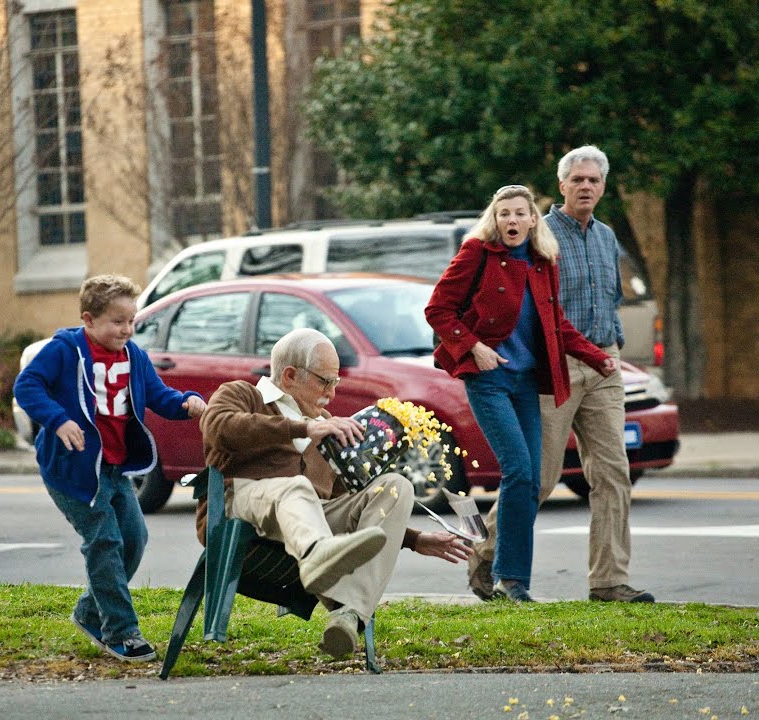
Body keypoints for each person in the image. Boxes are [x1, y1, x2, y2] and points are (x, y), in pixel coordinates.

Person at [198, 327, 471, 658]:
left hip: (310, 517)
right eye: (324, 381)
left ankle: (347, 612)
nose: (331, 393)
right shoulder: (243, 394)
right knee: (296, 487)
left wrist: (413, 539)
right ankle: (318, 554)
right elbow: (218, 427)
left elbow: (345, 498)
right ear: (289, 375)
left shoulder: (326, 423)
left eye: (336, 383)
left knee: (396, 486)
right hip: (239, 507)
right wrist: (304, 428)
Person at [468, 146, 657, 604]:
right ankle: (487, 557)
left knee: (613, 472)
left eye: (594, 180)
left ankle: (609, 581)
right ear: (562, 186)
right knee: (540, 475)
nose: (586, 187)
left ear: (603, 186)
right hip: (554, 366)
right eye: (578, 180)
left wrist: (608, 352)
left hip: (601, 361)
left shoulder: (607, 237)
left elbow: (609, 300)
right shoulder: (539, 234)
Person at [426, 185, 615, 603]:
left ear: (533, 220)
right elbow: (438, 309)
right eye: (503, 214)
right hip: (489, 379)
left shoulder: (543, 263)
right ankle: (510, 581)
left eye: (519, 214)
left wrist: (596, 356)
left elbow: (555, 324)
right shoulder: (477, 253)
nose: (511, 221)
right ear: (495, 220)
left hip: (528, 381)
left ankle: (508, 578)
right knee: (519, 472)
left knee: (530, 484)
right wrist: (474, 347)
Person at [13, 273, 208, 663]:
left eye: (131, 321)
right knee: (104, 541)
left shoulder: (132, 355)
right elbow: (27, 386)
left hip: (117, 468)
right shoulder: (65, 350)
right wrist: (58, 419)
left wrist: (186, 401)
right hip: (74, 470)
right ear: (88, 320)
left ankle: (88, 613)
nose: (126, 329)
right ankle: (120, 632)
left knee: (134, 540)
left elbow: (157, 395)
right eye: (117, 322)